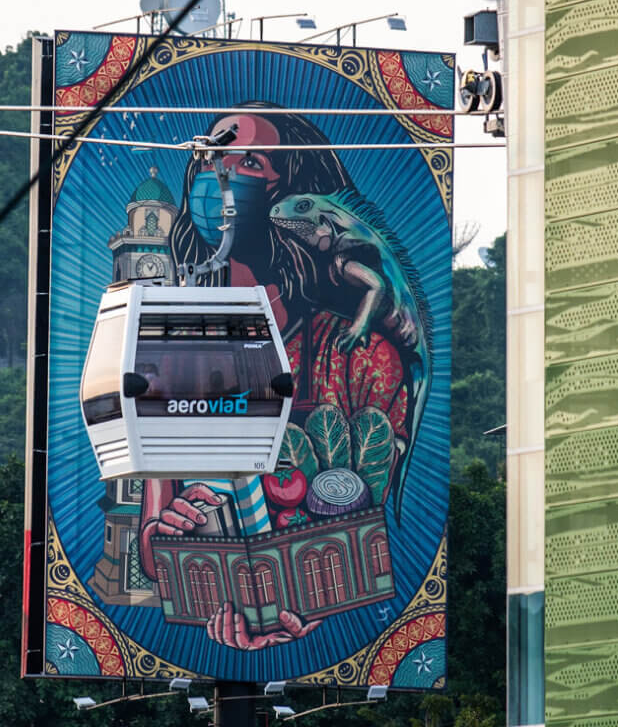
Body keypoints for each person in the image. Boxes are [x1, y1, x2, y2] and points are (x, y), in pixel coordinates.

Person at [136, 107, 416, 649]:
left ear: (292, 195)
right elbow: (152, 545)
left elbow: (367, 535)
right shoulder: (170, 353)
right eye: (209, 155)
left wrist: (308, 604)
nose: (220, 169)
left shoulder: (359, 356)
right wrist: (169, 532)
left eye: (248, 159)